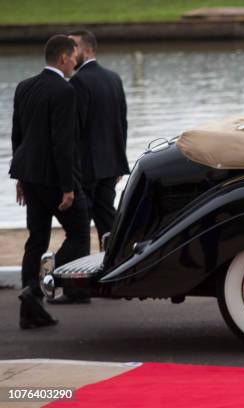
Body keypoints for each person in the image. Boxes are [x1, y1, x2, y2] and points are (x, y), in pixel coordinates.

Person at [10, 34, 90, 329]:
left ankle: (29, 309)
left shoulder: (24, 87)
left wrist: (19, 177)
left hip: (29, 173)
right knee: (80, 233)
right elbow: (63, 143)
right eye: (73, 57)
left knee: (37, 238)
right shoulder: (64, 91)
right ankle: (37, 288)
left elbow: (17, 135)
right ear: (62, 59)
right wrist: (68, 186)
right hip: (54, 178)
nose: (75, 62)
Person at [47, 30, 129, 305]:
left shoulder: (79, 81)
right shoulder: (114, 78)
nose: (71, 50)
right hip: (111, 164)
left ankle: (76, 288)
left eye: (75, 46)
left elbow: (74, 130)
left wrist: (69, 172)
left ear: (88, 50)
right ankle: (117, 278)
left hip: (87, 168)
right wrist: (119, 161)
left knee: (82, 226)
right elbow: (122, 123)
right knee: (109, 223)